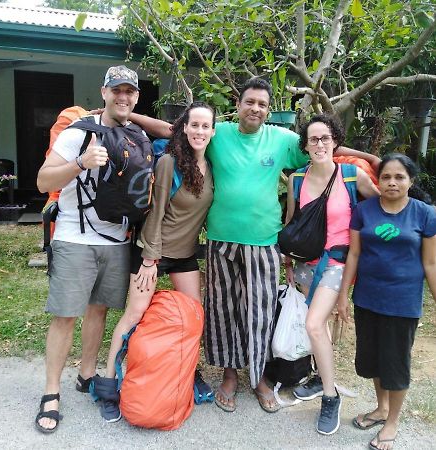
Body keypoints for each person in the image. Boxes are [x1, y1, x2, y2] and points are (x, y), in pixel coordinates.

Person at [127, 77, 381, 413]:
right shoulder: (221, 134)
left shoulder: (282, 140)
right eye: (250, 102)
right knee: (222, 312)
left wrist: (370, 158)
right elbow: (171, 129)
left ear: (268, 109)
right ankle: (230, 376)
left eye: (262, 104)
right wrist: (129, 117)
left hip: (263, 243)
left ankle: (259, 378)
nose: (256, 109)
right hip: (221, 241)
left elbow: (323, 145)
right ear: (238, 104)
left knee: (259, 314)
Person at [92, 101, 216, 422]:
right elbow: (156, 214)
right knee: (134, 314)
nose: (199, 131)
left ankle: (186, 374)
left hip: (185, 254)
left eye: (206, 126)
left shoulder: (211, 167)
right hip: (152, 252)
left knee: (194, 318)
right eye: (194, 125)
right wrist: (149, 260)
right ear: (184, 128)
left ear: (212, 131)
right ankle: (107, 383)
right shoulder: (169, 164)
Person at [35, 65, 141, 433]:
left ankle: (86, 373)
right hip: (75, 238)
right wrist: (81, 162)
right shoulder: (78, 134)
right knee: (65, 315)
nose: (122, 97)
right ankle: (51, 393)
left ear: (136, 97)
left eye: (129, 91)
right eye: (117, 90)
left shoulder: (136, 136)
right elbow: (42, 180)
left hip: (116, 241)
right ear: (104, 92)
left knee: (98, 312)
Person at [284, 114, 378, 434]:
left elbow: (384, 206)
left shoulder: (352, 176)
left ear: (335, 141)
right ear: (305, 146)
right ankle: (319, 375)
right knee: (317, 327)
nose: (320, 144)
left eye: (325, 138)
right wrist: (286, 263)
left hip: (337, 265)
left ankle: (329, 396)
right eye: (313, 139)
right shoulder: (297, 179)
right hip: (305, 265)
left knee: (312, 324)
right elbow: (291, 223)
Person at [337, 153, 436, 450]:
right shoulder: (364, 210)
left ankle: (392, 421)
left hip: (402, 302)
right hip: (367, 298)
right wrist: (343, 294)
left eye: (399, 177)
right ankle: (381, 408)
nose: (392, 182)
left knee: (396, 363)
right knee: (373, 360)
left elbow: (430, 264)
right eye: (386, 177)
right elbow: (353, 254)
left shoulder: (425, 214)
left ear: (411, 181)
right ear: (377, 181)